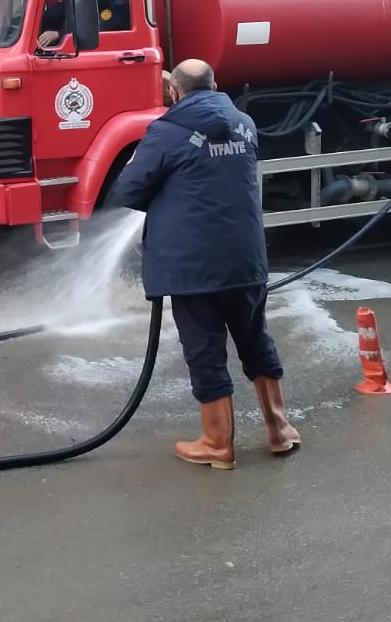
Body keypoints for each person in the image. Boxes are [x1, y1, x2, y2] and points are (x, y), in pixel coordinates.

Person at [111, 58, 300, 470]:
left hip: (194, 268)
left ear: (174, 94)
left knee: (205, 351)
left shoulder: (165, 132)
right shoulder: (245, 125)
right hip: (245, 260)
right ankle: (280, 430)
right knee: (255, 339)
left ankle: (217, 444)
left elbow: (129, 188)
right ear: (215, 87)